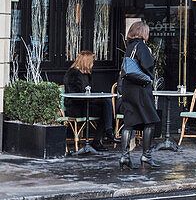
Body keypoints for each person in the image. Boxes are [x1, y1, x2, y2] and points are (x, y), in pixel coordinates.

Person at [117, 21, 160, 169]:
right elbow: (148, 65)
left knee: (129, 122)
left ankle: (125, 157)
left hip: (128, 88)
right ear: (143, 33)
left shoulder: (129, 47)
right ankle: (146, 156)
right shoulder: (142, 46)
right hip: (141, 88)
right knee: (150, 120)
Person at [64, 50, 117, 149]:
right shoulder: (72, 74)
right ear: (86, 61)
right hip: (76, 107)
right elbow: (75, 94)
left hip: (86, 104)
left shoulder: (87, 74)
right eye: (92, 61)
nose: (93, 63)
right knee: (106, 106)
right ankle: (107, 133)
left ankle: (103, 135)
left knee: (106, 106)